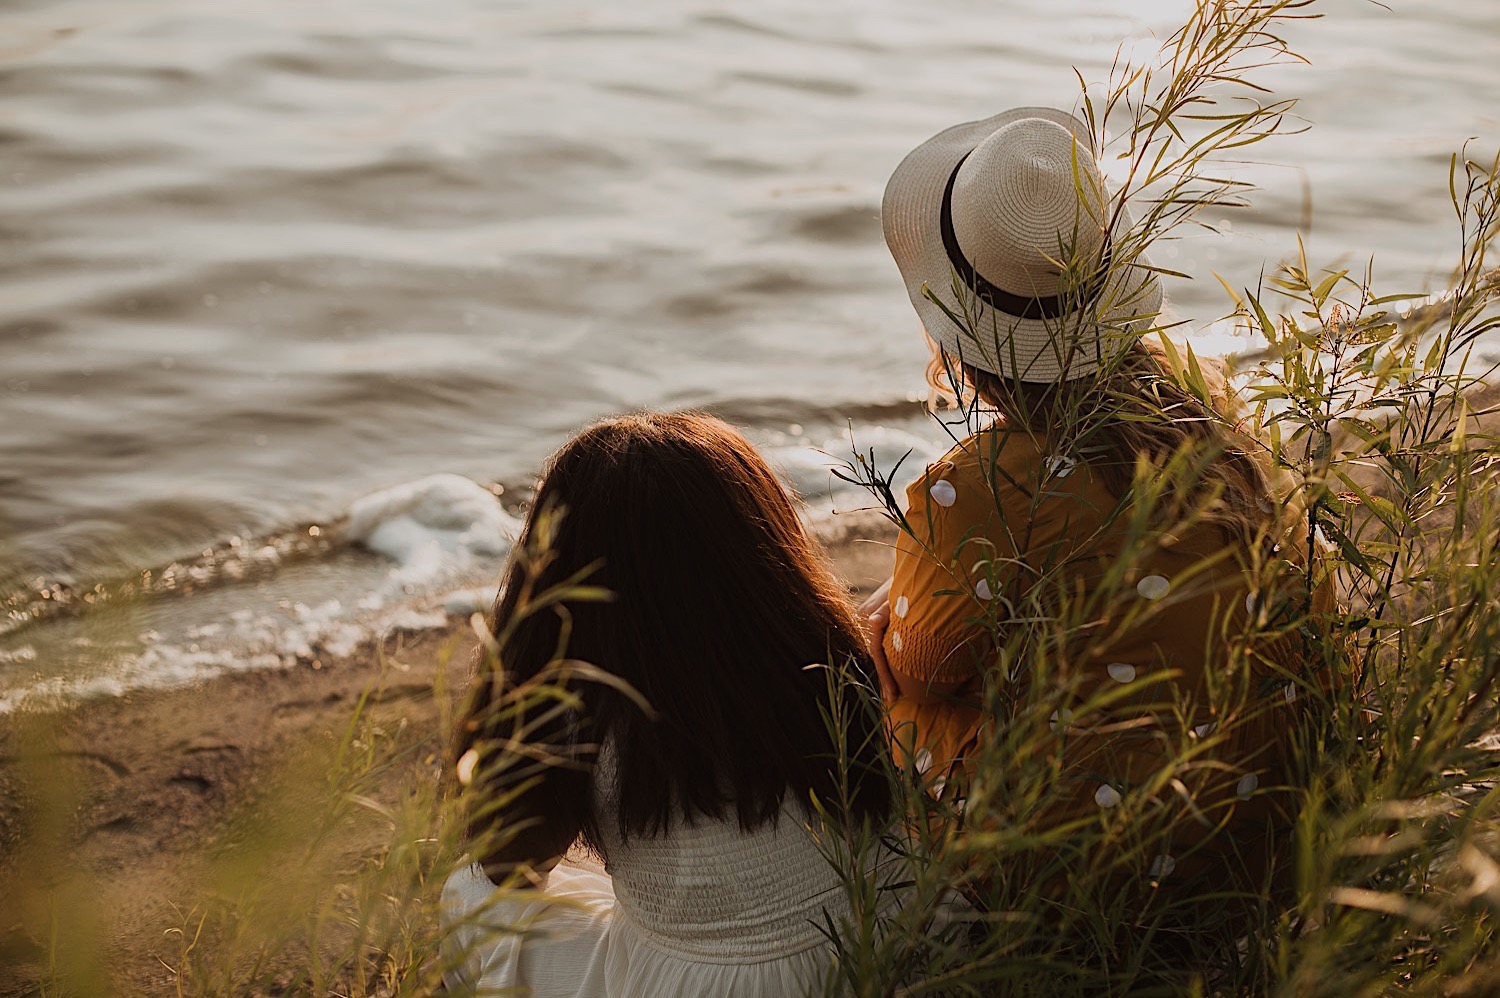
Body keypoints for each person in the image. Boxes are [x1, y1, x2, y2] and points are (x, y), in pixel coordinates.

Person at [866, 107, 1342, 887]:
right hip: (1259, 850)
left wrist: (882, 630)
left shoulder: (974, 491)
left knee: (886, 691)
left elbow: (919, 672)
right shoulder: (1210, 428)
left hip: (1103, 882)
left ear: (956, 333)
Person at [441, 412, 895, 997]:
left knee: (469, 895)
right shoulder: (840, 656)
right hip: (888, 943)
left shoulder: (582, 714)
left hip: (706, 985)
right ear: (760, 543)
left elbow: (509, 861)